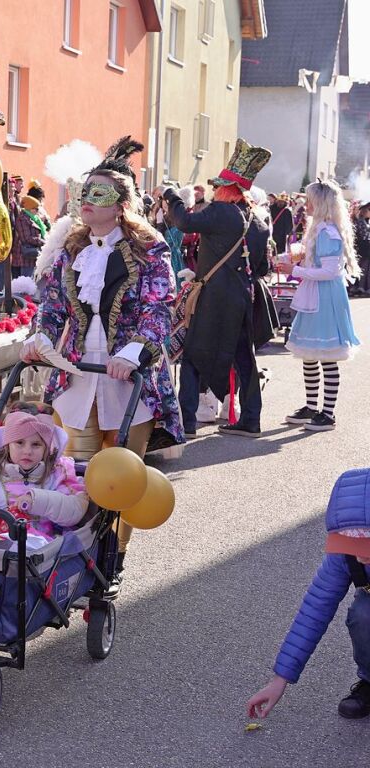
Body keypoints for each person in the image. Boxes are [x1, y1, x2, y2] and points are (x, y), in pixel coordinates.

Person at [21, 136, 184, 594]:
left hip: (126, 379)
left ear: (121, 204)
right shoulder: (70, 249)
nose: (85, 202)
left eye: (98, 194)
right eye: (83, 192)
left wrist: (132, 353)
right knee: (73, 471)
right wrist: (41, 339)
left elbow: (158, 307)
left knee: (118, 478)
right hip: (77, 375)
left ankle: (111, 562)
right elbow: (52, 307)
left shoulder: (150, 250)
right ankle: (70, 556)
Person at [163, 138, 272, 438]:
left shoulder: (221, 212)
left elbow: (184, 221)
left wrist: (171, 197)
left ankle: (186, 423)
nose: (213, 191)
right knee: (244, 358)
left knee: (193, 355)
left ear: (227, 189)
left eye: (217, 186)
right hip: (241, 300)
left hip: (213, 299)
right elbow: (262, 268)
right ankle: (251, 419)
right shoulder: (258, 222)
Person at [246, 467, 370, 721]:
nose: (358, 554)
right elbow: (315, 609)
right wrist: (280, 680)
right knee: (364, 613)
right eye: (351, 543)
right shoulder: (345, 554)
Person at [279, 180, 361, 432]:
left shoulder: (328, 232)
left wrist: (295, 269)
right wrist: (296, 261)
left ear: (321, 203)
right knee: (310, 355)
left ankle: (328, 413)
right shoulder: (321, 229)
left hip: (325, 298)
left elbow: (329, 271)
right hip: (316, 295)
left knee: (327, 356)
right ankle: (312, 407)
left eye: (310, 199)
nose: (306, 204)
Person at [0, 408, 87, 544]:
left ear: (46, 449)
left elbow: (76, 510)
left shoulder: (57, 471)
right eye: (19, 443)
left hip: (41, 545)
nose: (27, 451)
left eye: (36, 445)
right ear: (7, 445)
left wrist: (38, 500)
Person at [351, 200, 370, 296]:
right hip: (364, 249)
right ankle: (361, 287)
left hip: (361, 248)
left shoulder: (360, 221)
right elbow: (364, 236)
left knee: (362, 268)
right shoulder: (361, 222)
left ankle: (358, 287)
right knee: (364, 268)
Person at [268, 192, 294, 256]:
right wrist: (289, 234)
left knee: (272, 250)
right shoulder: (287, 211)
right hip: (281, 235)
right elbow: (289, 225)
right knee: (280, 252)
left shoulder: (270, 208)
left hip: (272, 233)